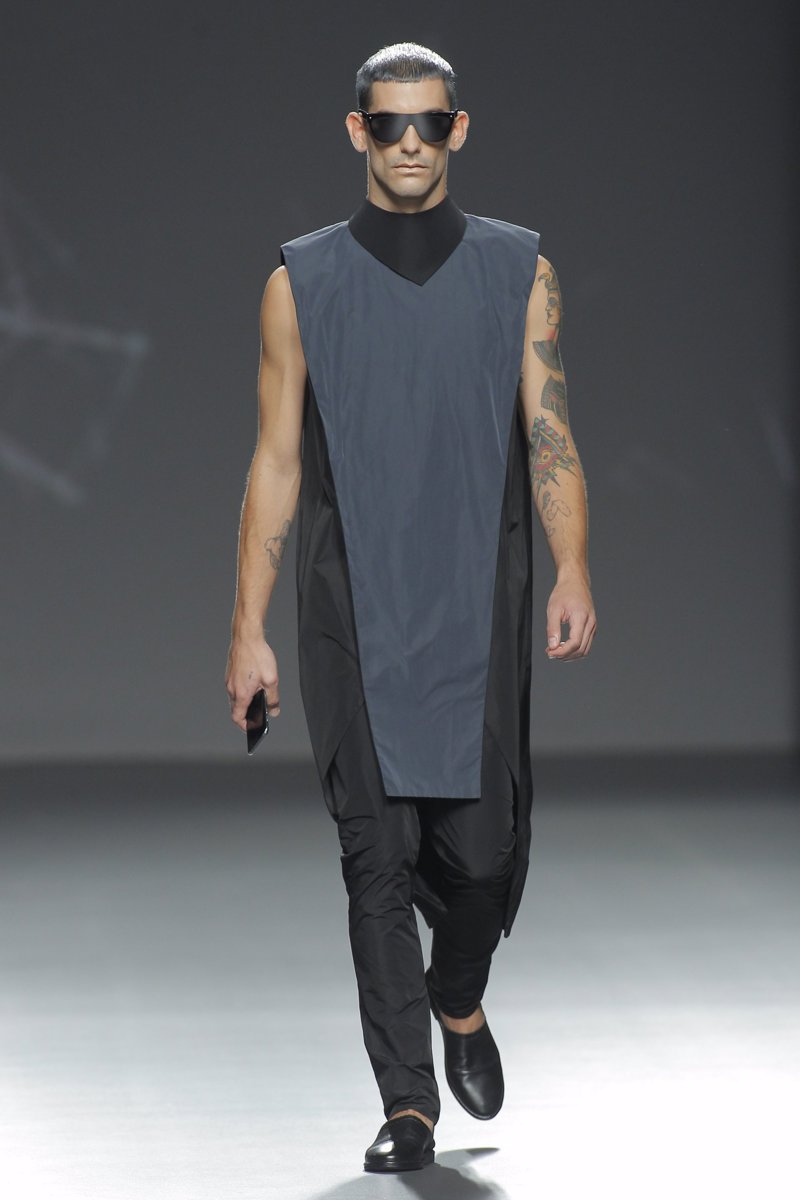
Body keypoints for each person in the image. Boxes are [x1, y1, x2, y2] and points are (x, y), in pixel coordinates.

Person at [225, 42, 596, 1174]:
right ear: (356, 131)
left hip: (476, 596)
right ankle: (408, 1106)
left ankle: (458, 994)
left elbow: (550, 432)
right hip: (349, 602)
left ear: (458, 129)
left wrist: (572, 565)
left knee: (483, 862)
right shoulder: (299, 283)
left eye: (428, 123)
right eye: (387, 124)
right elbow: (275, 460)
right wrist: (246, 628)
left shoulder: (520, 271)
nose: (408, 144)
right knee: (374, 862)